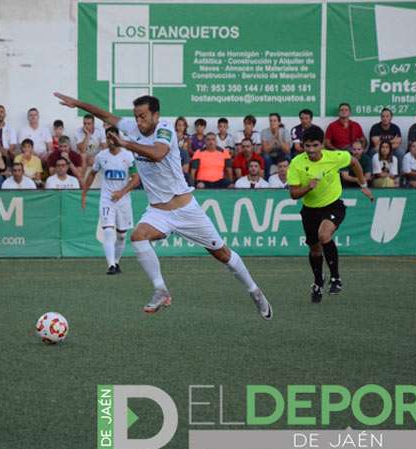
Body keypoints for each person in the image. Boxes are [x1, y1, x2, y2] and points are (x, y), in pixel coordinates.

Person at [55, 91, 272, 319]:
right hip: (158, 211)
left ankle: (254, 291)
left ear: (156, 115)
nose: (138, 121)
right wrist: (77, 103)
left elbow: (158, 154)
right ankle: (161, 290)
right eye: (136, 116)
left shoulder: (165, 129)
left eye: (143, 116)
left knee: (223, 254)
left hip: (186, 210)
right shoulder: (132, 127)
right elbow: (106, 116)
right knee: (138, 236)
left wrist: (126, 143)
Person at [287, 125, 374, 303]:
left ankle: (336, 278)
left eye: (315, 145)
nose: (311, 150)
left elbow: (354, 162)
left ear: (322, 145)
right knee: (315, 249)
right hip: (310, 210)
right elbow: (293, 194)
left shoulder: (334, 156)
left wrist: (363, 185)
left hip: (333, 205)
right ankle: (318, 281)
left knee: (324, 235)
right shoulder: (296, 163)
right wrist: (307, 187)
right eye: (307, 146)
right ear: (303, 145)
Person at [81, 126, 140, 274]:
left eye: (113, 137)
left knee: (121, 235)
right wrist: (84, 193)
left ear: (118, 138)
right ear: (106, 139)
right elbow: (92, 174)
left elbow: (136, 179)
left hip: (123, 200)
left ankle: (116, 262)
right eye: (108, 137)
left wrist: (122, 192)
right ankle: (111, 265)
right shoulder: (101, 156)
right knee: (108, 231)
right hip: (107, 199)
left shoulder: (128, 156)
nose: (111, 140)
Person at [261, 113, 291, 179]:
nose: (272, 123)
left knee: (288, 157)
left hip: (282, 155)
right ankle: (267, 179)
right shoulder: (264, 132)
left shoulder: (285, 132)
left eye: (274, 121)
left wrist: (279, 139)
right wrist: (274, 139)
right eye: (270, 121)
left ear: (279, 122)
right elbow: (265, 151)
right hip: (270, 155)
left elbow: (287, 150)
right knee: (266, 157)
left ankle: (289, 178)